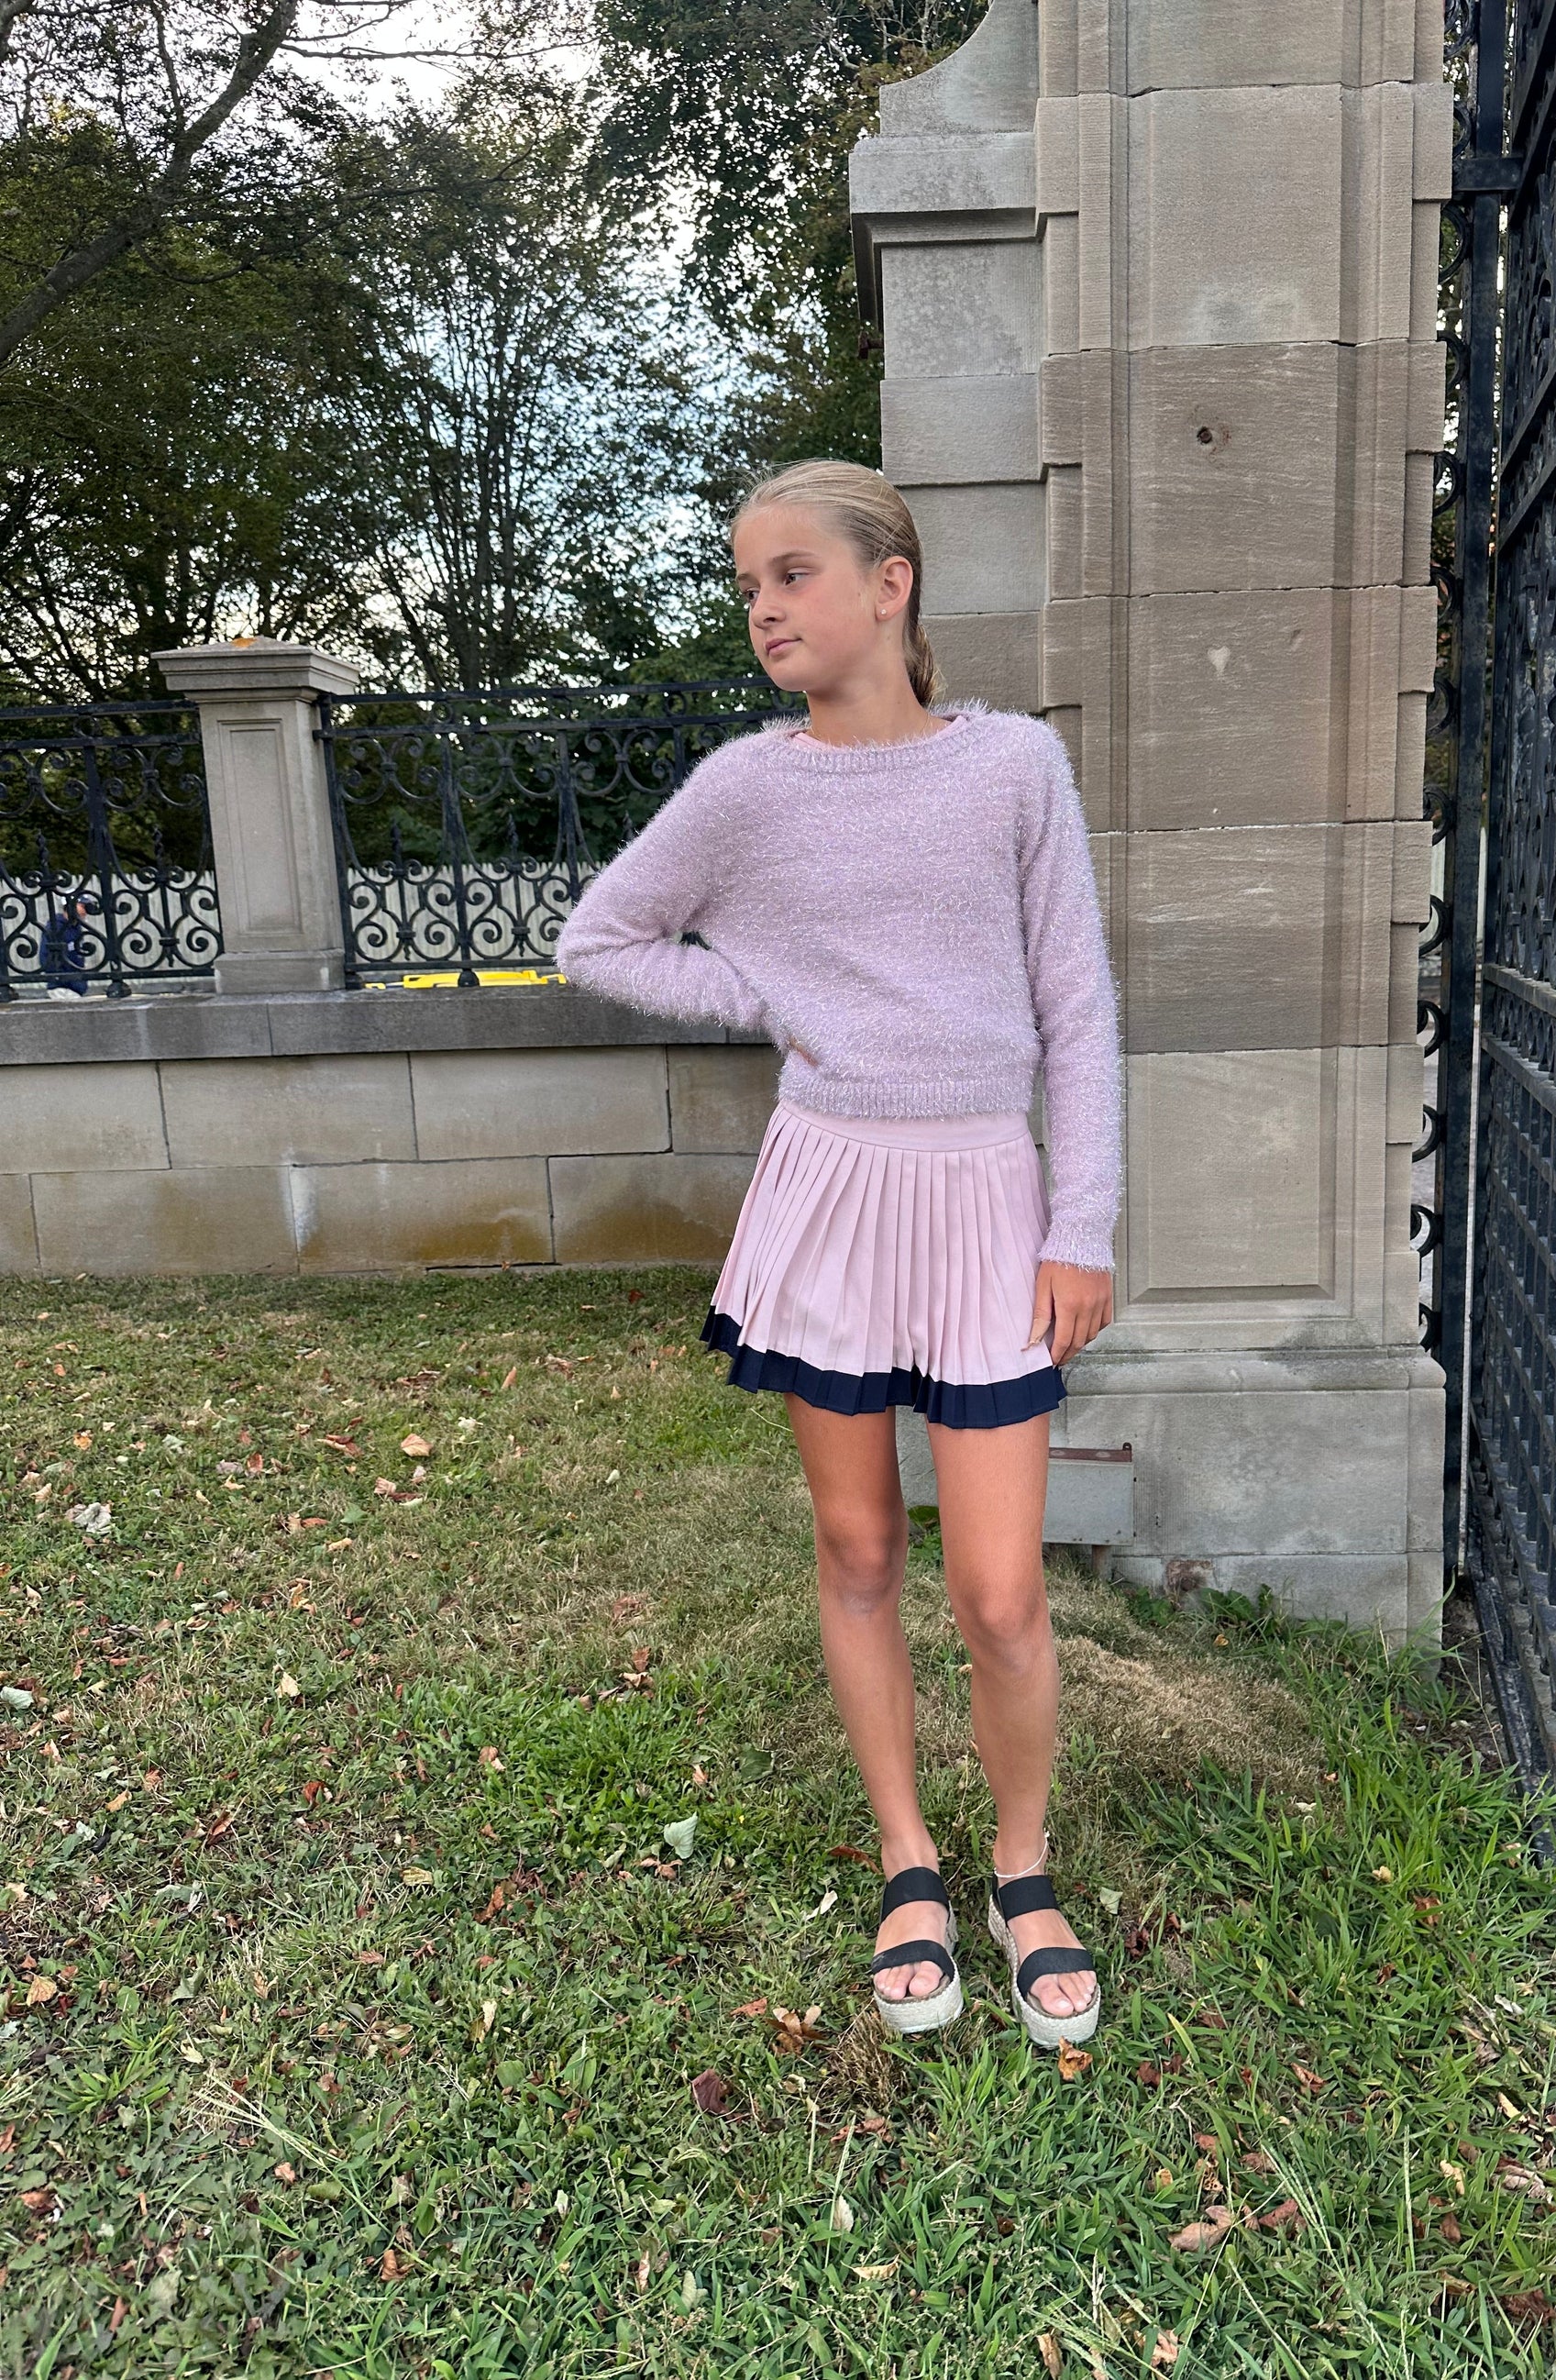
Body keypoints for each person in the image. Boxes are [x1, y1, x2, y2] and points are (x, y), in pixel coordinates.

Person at [555, 459, 1122, 2051]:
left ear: (891, 583)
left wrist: (1081, 1221)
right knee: (861, 1549)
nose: (763, 609)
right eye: (747, 585)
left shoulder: (1011, 767)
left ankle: (1022, 1867)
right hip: (831, 1195)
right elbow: (600, 937)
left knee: (998, 1590)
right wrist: (776, 998)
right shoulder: (746, 789)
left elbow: (1076, 1004)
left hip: (987, 1199)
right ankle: (906, 1862)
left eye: (791, 573)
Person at [39, 895, 90, 998]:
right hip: (61, 987)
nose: (85, 910)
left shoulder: (76, 927)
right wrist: (59, 978)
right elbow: (46, 956)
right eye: (82, 906)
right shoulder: (56, 927)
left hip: (75, 985)